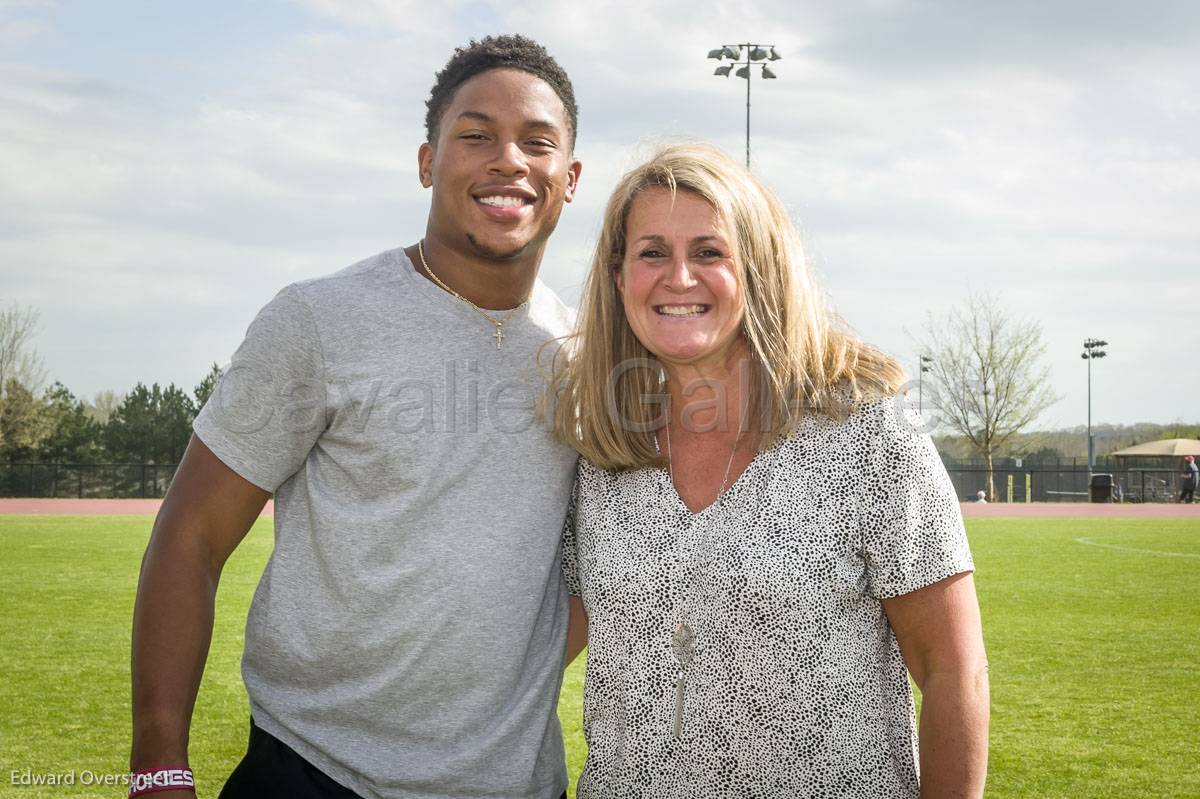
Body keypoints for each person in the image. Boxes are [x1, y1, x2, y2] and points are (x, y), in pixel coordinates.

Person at [130, 35, 582, 799]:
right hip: (311, 771)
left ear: (568, 180)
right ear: (426, 162)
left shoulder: (584, 359)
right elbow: (191, 536)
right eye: (475, 136)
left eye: (536, 142)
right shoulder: (319, 318)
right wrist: (157, 762)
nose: (508, 160)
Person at [549, 143, 989, 798]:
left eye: (708, 251)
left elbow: (954, 671)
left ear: (759, 268)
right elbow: (544, 645)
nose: (678, 277)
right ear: (618, 278)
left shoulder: (869, 436)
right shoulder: (604, 453)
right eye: (651, 253)